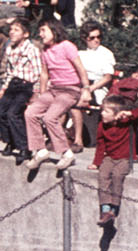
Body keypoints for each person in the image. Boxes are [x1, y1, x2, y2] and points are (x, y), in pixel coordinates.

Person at [23, 19, 90, 171]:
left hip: (70, 89)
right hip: (54, 90)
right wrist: (40, 94)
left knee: (50, 117)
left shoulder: (67, 46)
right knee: (30, 113)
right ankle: (40, 150)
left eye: (43, 30)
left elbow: (80, 69)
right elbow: (45, 74)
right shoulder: (45, 51)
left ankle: (67, 154)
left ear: (54, 30)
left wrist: (86, 88)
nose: (41, 34)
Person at [90, 97, 138, 227]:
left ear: (117, 114)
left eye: (106, 111)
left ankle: (114, 208)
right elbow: (100, 146)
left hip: (125, 158)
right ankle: (105, 210)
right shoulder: (102, 126)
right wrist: (96, 162)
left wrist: (129, 113)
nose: (102, 114)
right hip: (110, 157)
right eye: (102, 111)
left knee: (117, 175)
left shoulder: (127, 122)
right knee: (103, 175)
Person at [0, 19, 42, 160]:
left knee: (13, 114)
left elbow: (38, 72)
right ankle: (10, 141)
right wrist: (4, 89)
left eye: (16, 30)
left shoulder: (32, 50)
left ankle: (24, 147)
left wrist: (36, 93)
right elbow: (10, 72)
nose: (12, 32)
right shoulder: (10, 49)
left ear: (25, 34)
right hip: (13, 84)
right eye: (11, 29)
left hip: (26, 85)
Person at [76, 22, 116, 150]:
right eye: (92, 38)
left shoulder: (105, 53)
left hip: (97, 87)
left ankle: (77, 136)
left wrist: (89, 89)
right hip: (82, 84)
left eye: (98, 37)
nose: (96, 40)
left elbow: (107, 77)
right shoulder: (80, 53)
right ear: (85, 38)